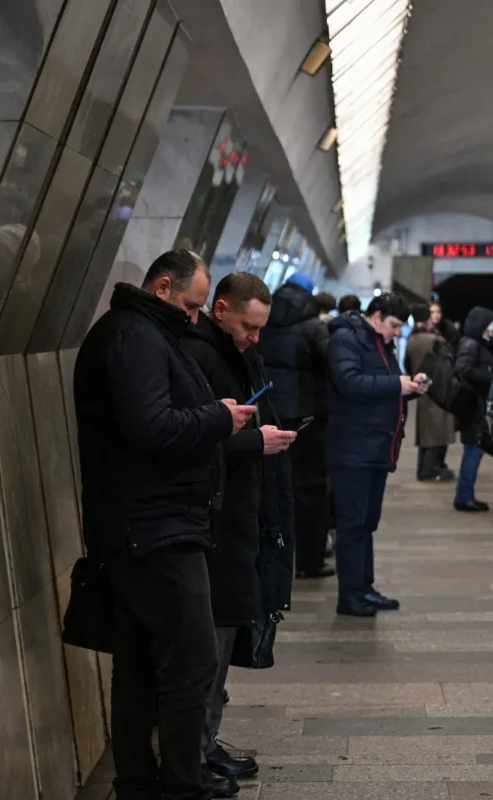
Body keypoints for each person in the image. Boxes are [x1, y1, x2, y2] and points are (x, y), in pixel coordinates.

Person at [73, 249, 257, 800]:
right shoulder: (135, 338)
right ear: (161, 288)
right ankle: (183, 780)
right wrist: (220, 417)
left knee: (138, 660)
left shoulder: (142, 332)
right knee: (191, 656)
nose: (195, 318)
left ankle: (138, 778)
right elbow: (149, 426)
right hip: (152, 525)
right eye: (191, 305)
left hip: (144, 521)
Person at [183, 272, 295, 796]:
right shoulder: (200, 356)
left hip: (242, 513)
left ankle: (206, 741)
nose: (255, 337)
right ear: (221, 309)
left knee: (226, 633)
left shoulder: (240, 352)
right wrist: (256, 442)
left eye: (260, 329)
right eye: (248, 326)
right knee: (211, 640)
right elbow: (195, 439)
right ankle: (195, 749)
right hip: (214, 519)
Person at [325, 292, 428, 616]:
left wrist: (410, 387)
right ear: (377, 316)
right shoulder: (346, 338)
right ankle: (350, 596)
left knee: (367, 523)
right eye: (394, 325)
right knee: (352, 524)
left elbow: (383, 384)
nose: (396, 332)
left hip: (376, 447)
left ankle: (364, 588)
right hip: (352, 448)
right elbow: (349, 382)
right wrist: (397, 385)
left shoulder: (381, 342)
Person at [257, 274, 334, 580]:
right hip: (308, 421)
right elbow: (332, 364)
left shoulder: (263, 326)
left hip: (269, 417)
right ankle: (309, 560)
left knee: (274, 488)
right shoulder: (313, 328)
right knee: (311, 490)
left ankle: (274, 555)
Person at [453, 306, 493, 512]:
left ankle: (465, 494)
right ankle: (464, 496)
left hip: (475, 407)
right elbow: (464, 370)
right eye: (488, 328)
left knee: (474, 451)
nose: (491, 332)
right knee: (473, 451)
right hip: (474, 409)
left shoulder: (475, 344)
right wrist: (491, 378)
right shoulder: (471, 344)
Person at [404, 302, 455, 482]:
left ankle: (425, 468)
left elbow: (407, 365)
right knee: (439, 432)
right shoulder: (435, 340)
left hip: (421, 390)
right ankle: (433, 469)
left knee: (425, 433)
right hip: (438, 390)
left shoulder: (411, 340)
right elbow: (449, 366)